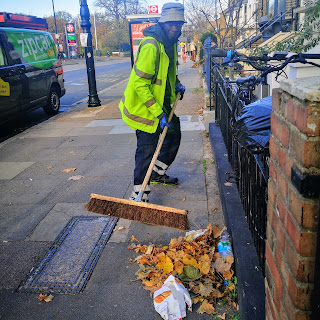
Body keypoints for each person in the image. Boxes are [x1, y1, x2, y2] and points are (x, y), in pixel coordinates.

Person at [118, 2, 186, 202]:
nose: (175, 28)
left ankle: (157, 173)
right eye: (171, 24)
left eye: (179, 24)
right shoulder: (151, 45)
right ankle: (138, 195)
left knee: (173, 133)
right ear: (162, 23)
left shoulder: (171, 43)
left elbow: (168, 72)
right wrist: (159, 114)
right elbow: (140, 85)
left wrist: (177, 84)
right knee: (146, 151)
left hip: (162, 103)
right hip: (144, 108)